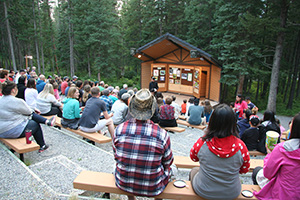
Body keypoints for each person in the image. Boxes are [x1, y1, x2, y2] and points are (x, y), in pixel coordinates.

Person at [113, 89, 174, 198]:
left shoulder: (119, 129)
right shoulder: (162, 134)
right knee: (173, 169)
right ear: (152, 109)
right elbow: (168, 162)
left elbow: (116, 156)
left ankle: (131, 198)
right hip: (154, 187)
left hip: (124, 183)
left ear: (132, 107)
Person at [189, 104, 250, 200]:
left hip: (204, 190)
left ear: (212, 122)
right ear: (233, 123)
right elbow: (244, 170)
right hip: (231, 192)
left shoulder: (203, 142)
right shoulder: (241, 146)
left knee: (194, 171)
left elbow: (193, 157)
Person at [252, 112, 300, 199]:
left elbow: (267, 173)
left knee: (257, 171)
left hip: (282, 195)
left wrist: (270, 154)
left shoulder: (283, 149)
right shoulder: (277, 127)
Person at [0, 81, 55, 152]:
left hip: (1, 130)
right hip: (10, 131)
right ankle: (42, 145)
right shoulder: (17, 101)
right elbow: (28, 112)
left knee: (29, 119)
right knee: (34, 124)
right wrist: (33, 109)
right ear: (13, 90)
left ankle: (46, 122)